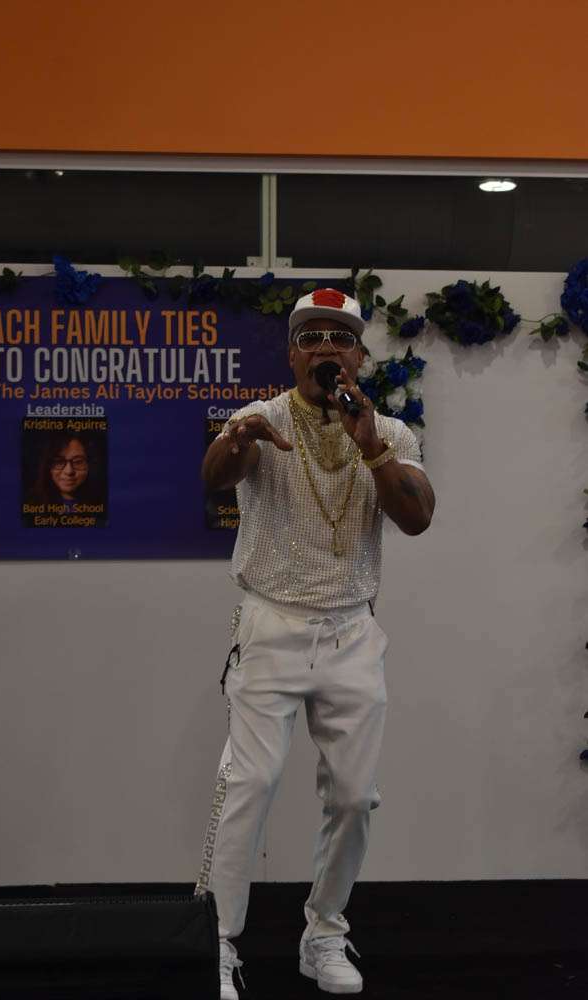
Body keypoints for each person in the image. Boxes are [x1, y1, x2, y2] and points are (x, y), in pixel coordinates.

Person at [195, 288, 436, 998]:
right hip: (271, 625)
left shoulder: (388, 431)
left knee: (356, 798)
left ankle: (323, 933)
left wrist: (371, 449)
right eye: (311, 338)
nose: (326, 348)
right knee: (249, 783)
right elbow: (214, 478)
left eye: (340, 338)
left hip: (351, 631)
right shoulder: (259, 418)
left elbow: (417, 518)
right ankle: (217, 942)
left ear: (359, 356)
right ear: (292, 355)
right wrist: (236, 441)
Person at [26, 431, 104, 509]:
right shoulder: (30, 505)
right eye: (59, 462)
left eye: (78, 462)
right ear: (48, 466)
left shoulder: (104, 504)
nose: (69, 471)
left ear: (89, 464)